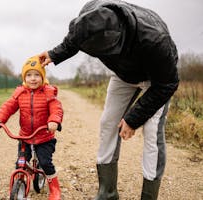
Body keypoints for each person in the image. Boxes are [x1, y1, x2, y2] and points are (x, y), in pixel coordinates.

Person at [38, 0, 179, 199]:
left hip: (154, 79)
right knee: (107, 123)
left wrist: (133, 119)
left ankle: (149, 196)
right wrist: (55, 54)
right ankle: (108, 192)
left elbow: (167, 84)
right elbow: (74, 39)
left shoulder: (155, 39)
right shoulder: (88, 16)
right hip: (122, 75)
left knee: (151, 134)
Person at [0, 56, 63, 200]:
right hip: (25, 137)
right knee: (20, 162)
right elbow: (8, 107)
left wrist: (54, 121)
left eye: (37, 75)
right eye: (29, 75)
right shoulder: (20, 93)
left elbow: (56, 109)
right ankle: (22, 181)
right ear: (24, 77)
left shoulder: (48, 93)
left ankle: (54, 189)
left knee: (45, 162)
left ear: (42, 77)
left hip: (44, 136)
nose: (33, 79)